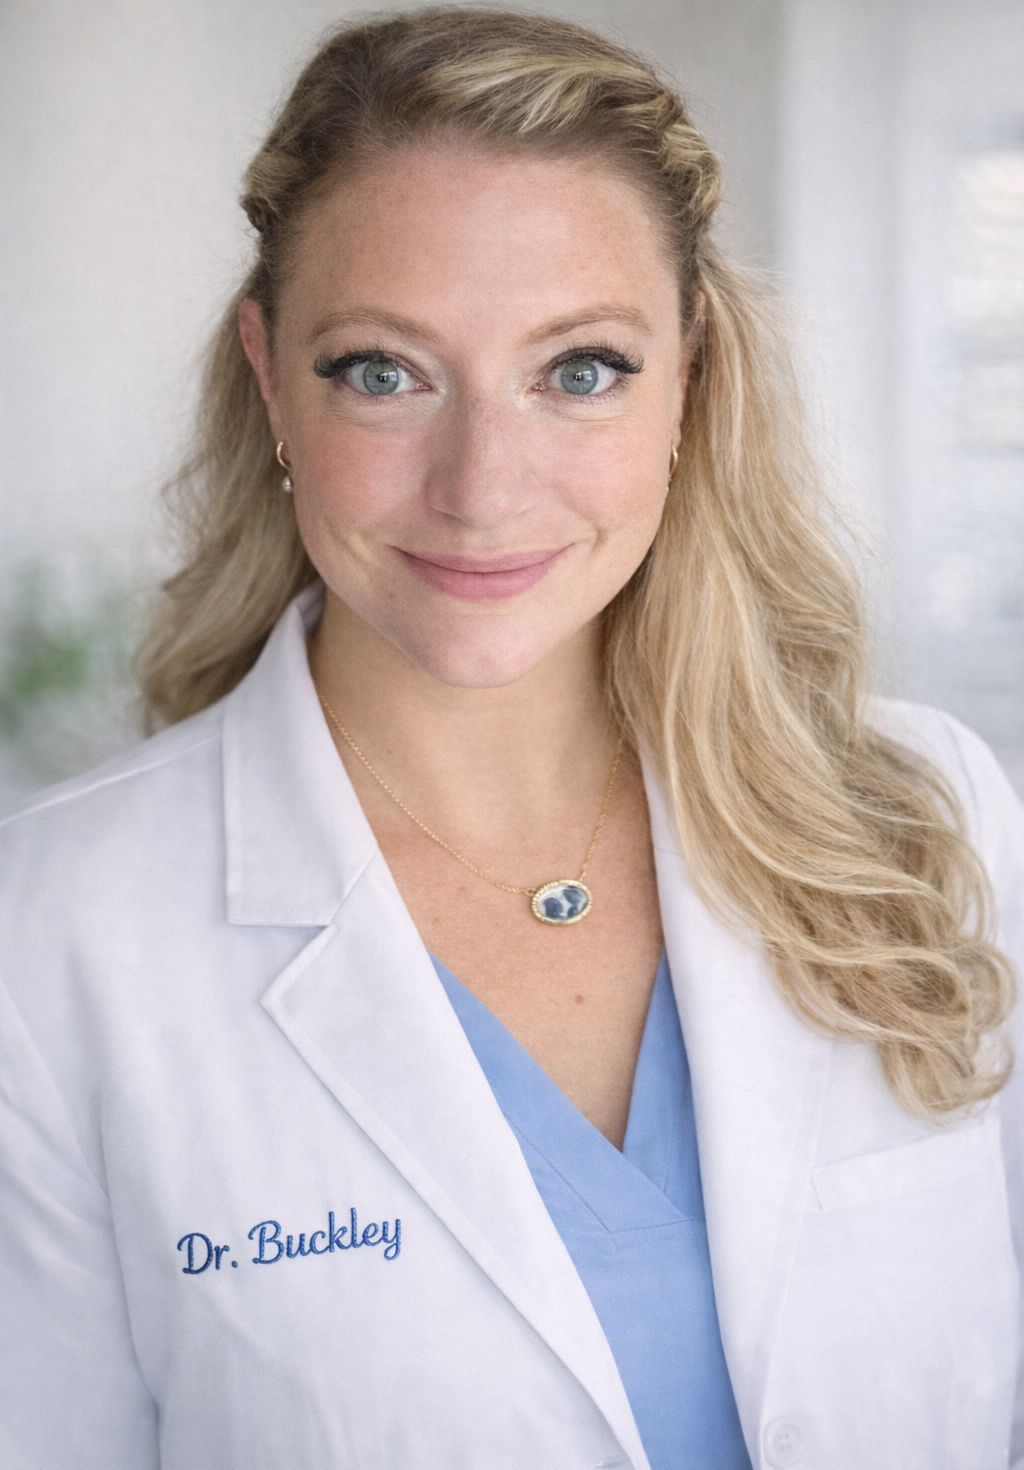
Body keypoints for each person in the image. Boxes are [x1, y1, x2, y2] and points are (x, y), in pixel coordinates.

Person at [1, 7, 1021, 1468]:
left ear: (693, 374)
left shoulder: (933, 824)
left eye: (582, 368)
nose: (483, 487)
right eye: (383, 370)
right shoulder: (47, 943)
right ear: (270, 373)